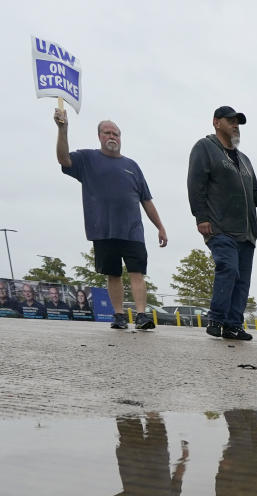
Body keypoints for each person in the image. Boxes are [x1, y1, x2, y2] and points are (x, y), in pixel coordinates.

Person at [56, 109, 168, 331]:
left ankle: (142, 315)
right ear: (99, 136)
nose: (112, 137)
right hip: (103, 229)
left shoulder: (132, 166)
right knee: (113, 274)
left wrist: (160, 226)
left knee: (137, 272)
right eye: (107, 133)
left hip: (132, 231)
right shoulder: (87, 159)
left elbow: (146, 200)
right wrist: (63, 129)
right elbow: (63, 159)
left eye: (116, 134)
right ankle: (118, 315)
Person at [189, 106, 257, 341]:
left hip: (247, 232)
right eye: (230, 121)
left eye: (238, 122)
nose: (235, 125)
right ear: (216, 122)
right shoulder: (205, 148)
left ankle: (233, 325)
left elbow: (254, 197)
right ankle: (217, 318)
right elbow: (195, 183)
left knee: (242, 280)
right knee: (228, 268)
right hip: (220, 227)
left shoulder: (245, 161)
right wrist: (201, 217)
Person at [109, 413, 188, 496]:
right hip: (157, 451)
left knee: (126, 412)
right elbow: (178, 477)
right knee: (154, 415)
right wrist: (184, 457)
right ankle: (148, 393)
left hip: (131, 452)